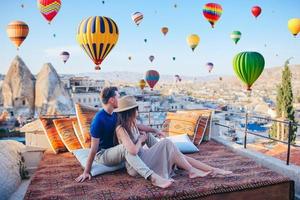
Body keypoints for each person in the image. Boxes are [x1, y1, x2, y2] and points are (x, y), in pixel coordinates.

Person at [115, 96, 232, 183]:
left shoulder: (132, 123)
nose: (137, 112)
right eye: (136, 109)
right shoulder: (121, 129)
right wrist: (141, 140)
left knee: (177, 153)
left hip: (144, 158)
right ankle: (192, 170)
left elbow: (144, 128)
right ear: (130, 112)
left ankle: (213, 170)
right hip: (136, 167)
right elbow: (133, 151)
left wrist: (156, 131)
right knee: (167, 143)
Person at [75, 87, 173, 188]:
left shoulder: (116, 114)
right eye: (118, 97)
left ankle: (168, 157)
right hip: (103, 154)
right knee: (126, 148)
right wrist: (86, 172)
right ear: (112, 100)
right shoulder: (98, 120)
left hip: (115, 150)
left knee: (144, 135)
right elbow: (94, 149)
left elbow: (136, 126)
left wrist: (155, 130)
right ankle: (152, 177)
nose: (120, 99)